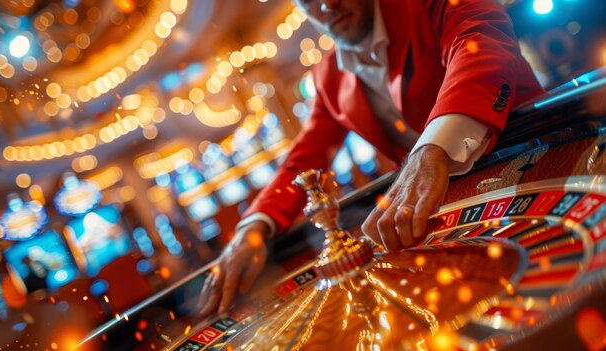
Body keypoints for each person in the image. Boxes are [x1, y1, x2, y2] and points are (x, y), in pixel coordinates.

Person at [198, 0, 544, 315]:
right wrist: (252, 227)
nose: (327, 4)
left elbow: (482, 44)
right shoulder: (328, 76)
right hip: (457, 222)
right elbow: (304, 160)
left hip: (540, 163)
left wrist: (431, 149)